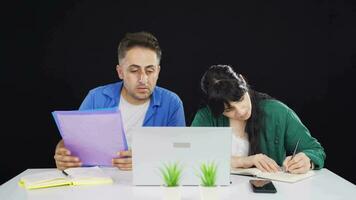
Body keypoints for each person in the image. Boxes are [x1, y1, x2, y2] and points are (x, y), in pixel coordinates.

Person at [54, 31, 186, 171]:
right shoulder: (96, 98)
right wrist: (62, 151)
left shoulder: (172, 103)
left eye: (150, 71)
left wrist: (145, 160)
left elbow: (180, 152)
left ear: (158, 71)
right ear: (120, 72)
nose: (143, 79)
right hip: (98, 182)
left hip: (146, 184)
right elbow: (72, 141)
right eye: (134, 70)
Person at [191, 65, 325, 174]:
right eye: (229, 110)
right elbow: (191, 156)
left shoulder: (277, 112)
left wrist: (308, 160)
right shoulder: (205, 117)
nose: (241, 111)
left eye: (241, 99)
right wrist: (246, 161)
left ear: (243, 81)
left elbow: (315, 150)